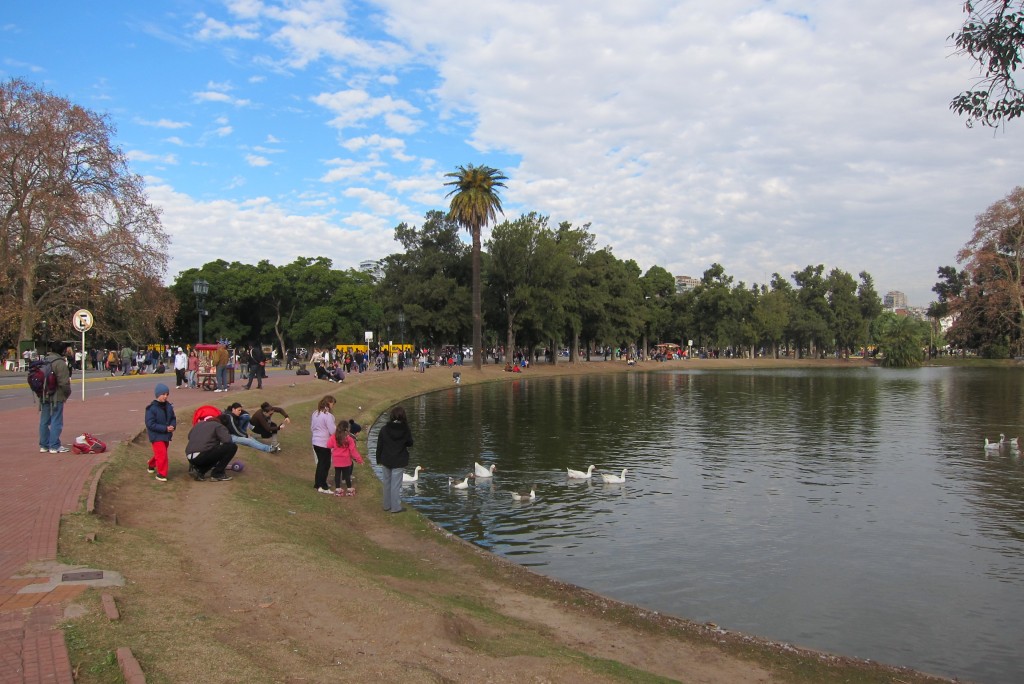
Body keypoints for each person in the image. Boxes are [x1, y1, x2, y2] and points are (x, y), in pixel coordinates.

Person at [375, 405, 414, 513]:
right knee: (396, 485)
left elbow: (380, 445)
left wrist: (378, 459)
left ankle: (386, 505)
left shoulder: (384, 429)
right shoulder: (405, 429)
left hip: (386, 459)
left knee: (387, 483)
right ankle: (395, 507)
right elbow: (410, 443)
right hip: (399, 459)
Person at [38, 341, 73, 454]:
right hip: (56, 395)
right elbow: (64, 383)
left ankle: (44, 445)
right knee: (56, 420)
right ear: (62, 351)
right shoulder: (60, 363)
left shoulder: (43, 361)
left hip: (44, 394)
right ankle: (54, 445)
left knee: (44, 421)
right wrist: (67, 394)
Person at [184, 414, 237, 481]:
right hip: (201, 456)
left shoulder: (199, 424)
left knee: (214, 451)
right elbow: (228, 440)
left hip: (190, 456)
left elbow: (189, 436)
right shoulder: (219, 426)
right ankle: (217, 473)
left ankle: (200, 471)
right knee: (231, 447)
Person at [145, 383, 177, 481]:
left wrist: (172, 425)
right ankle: (162, 474)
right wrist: (165, 428)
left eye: (167, 394)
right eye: (163, 394)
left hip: (166, 435)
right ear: (158, 395)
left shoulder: (169, 406)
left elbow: (173, 418)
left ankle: (151, 464)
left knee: (160, 454)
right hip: (156, 435)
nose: (165, 396)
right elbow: (150, 424)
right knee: (162, 454)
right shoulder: (151, 408)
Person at [328, 419, 363, 496]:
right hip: (346, 460)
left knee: (337, 473)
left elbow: (329, 445)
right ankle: (349, 489)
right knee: (347, 474)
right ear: (347, 429)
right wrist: (359, 459)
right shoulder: (349, 438)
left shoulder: (334, 437)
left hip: (337, 459)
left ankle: (337, 489)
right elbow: (353, 450)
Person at [310, 395, 336, 493]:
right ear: (329, 403)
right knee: (325, 464)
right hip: (324, 443)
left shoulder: (315, 413)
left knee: (321, 463)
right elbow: (332, 430)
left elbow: (312, 427)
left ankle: (318, 483)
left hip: (316, 441)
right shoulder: (328, 416)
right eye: (332, 404)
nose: (333, 406)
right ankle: (322, 486)